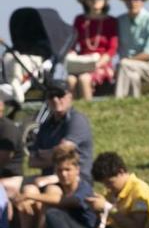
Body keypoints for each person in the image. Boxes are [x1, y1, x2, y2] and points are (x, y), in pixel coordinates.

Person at [4, 72, 94, 204]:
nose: (56, 100)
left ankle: (39, 225)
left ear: (70, 96)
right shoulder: (46, 125)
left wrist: (42, 154)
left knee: (38, 191)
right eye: (51, 96)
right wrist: (54, 154)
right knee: (4, 186)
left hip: (75, 178)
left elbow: (64, 152)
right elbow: (32, 161)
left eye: (60, 95)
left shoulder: (77, 120)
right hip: (46, 176)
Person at [11, 141, 89, 228]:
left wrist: (30, 196)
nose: (63, 174)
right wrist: (26, 198)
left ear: (77, 169)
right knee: (30, 189)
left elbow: (67, 201)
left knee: (49, 193)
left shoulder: (83, 187)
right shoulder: (59, 185)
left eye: (68, 170)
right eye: (59, 170)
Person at [65, 0, 120, 100]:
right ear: (86, 1)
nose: (96, 0)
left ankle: (88, 112)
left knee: (84, 79)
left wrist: (97, 64)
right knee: (70, 80)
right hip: (82, 62)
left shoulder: (111, 21)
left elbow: (112, 50)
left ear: (105, 0)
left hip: (102, 64)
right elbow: (72, 44)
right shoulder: (79, 20)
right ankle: (71, 114)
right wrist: (71, 55)